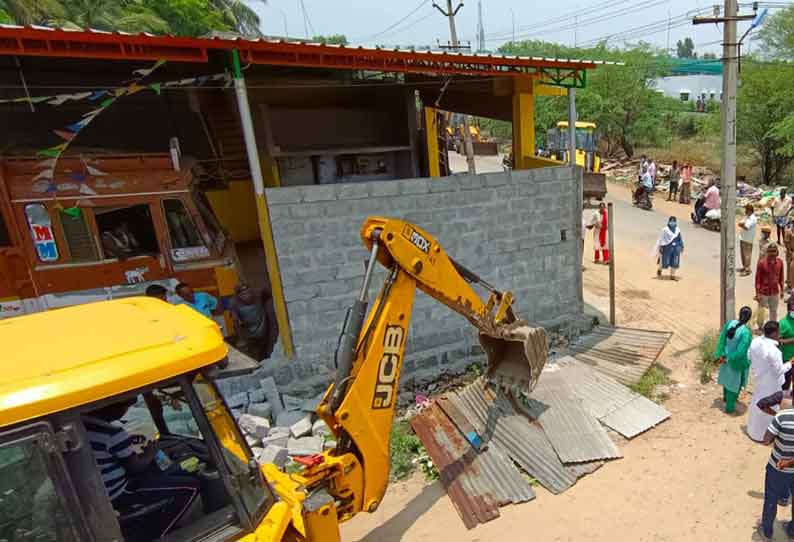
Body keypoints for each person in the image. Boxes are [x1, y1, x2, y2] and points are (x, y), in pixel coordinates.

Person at [82, 399, 201, 541]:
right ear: (114, 407)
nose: (126, 411)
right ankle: (158, 534)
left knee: (166, 474)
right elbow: (135, 468)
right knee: (191, 486)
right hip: (120, 492)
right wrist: (151, 451)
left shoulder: (83, 426)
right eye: (126, 406)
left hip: (97, 492)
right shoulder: (112, 433)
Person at [748, 321, 793, 442]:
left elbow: (749, 356)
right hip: (771, 384)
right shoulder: (774, 351)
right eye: (778, 332)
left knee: (756, 404)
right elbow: (779, 371)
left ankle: (753, 431)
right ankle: (764, 435)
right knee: (769, 408)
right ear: (774, 333)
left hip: (759, 380)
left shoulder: (755, 341)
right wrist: (790, 363)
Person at [758, 398, 794, 540]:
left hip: (777, 468)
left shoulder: (782, 417)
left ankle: (767, 531)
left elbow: (766, 440)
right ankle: (792, 531)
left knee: (771, 498)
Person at [715, 306, 753, 414]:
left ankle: (725, 399)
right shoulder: (746, 332)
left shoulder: (729, 324)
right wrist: (730, 359)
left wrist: (721, 355)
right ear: (749, 318)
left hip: (724, 358)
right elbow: (741, 351)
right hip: (735, 363)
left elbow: (721, 340)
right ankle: (729, 408)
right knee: (734, 384)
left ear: (739, 314)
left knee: (726, 380)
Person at [228, 283, 279, 361]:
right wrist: (241, 338)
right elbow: (235, 321)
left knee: (267, 352)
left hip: (263, 329)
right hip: (249, 333)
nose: (247, 296)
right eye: (243, 294)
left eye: (248, 292)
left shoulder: (258, 294)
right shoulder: (234, 303)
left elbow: (273, 294)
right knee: (255, 355)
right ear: (238, 296)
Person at [756, 244, 786, 332]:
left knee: (773, 311)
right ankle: (760, 327)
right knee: (761, 309)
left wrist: (782, 291)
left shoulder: (780, 262)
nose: (772, 253)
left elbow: (781, 277)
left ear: (777, 252)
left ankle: (772, 328)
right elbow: (758, 280)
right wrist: (757, 293)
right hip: (763, 292)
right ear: (767, 252)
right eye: (770, 251)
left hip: (775, 292)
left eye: (774, 251)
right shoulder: (762, 263)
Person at [779, 296, 794, 392]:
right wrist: (791, 340)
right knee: (785, 386)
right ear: (789, 310)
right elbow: (778, 341)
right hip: (786, 359)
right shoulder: (783, 323)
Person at [738, 204, 758, 276]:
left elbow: (746, 227)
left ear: (750, 210)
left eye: (746, 210)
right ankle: (744, 267)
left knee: (747, 255)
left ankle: (747, 270)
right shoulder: (746, 217)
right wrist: (742, 224)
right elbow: (740, 223)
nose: (745, 211)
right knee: (743, 254)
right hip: (743, 237)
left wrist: (742, 225)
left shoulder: (752, 218)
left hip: (748, 239)